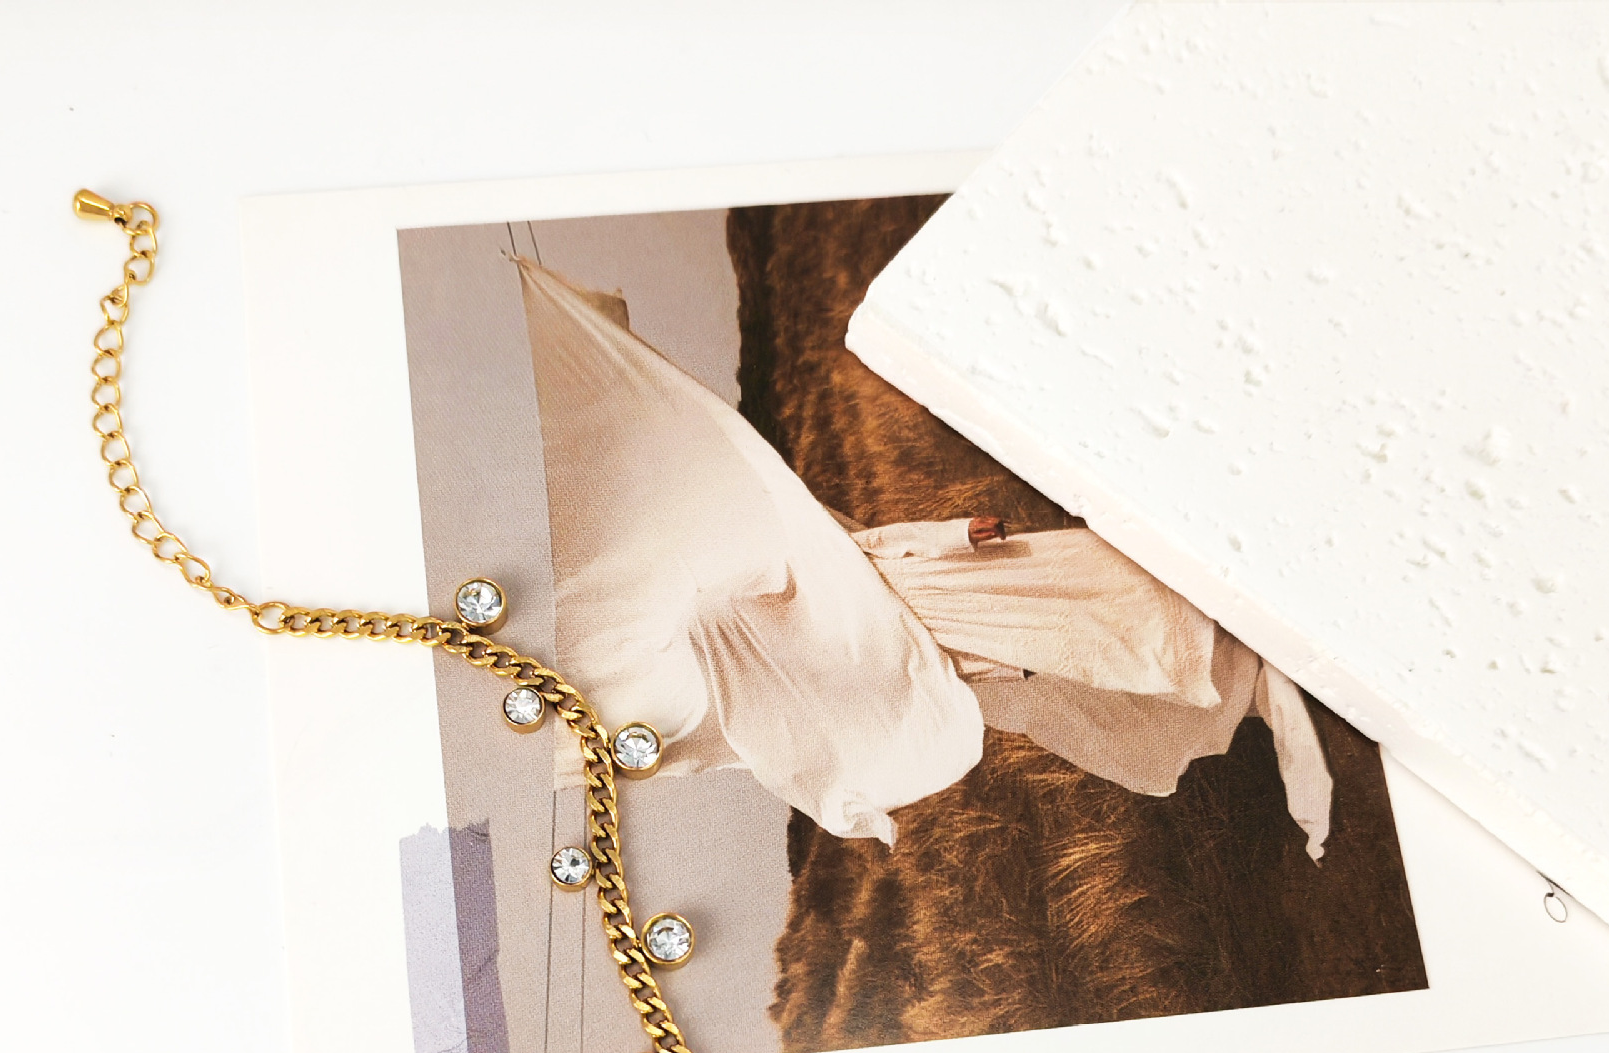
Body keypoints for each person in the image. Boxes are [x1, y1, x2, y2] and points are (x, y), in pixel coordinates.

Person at [515, 255, 1330, 858]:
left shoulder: (808, 576)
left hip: (956, 586)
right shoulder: (769, 650)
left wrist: (955, 537)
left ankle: (1213, 645)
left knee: (1096, 592)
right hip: (953, 636)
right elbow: (764, 703)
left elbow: (859, 549)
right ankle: (1219, 670)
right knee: (1080, 648)